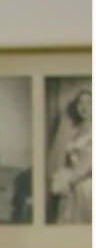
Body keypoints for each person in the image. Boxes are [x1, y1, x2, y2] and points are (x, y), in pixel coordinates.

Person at [48, 86, 92, 225]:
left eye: (89, 102)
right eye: (80, 103)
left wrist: (72, 179)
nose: (84, 107)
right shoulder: (75, 129)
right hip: (72, 187)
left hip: (88, 186)